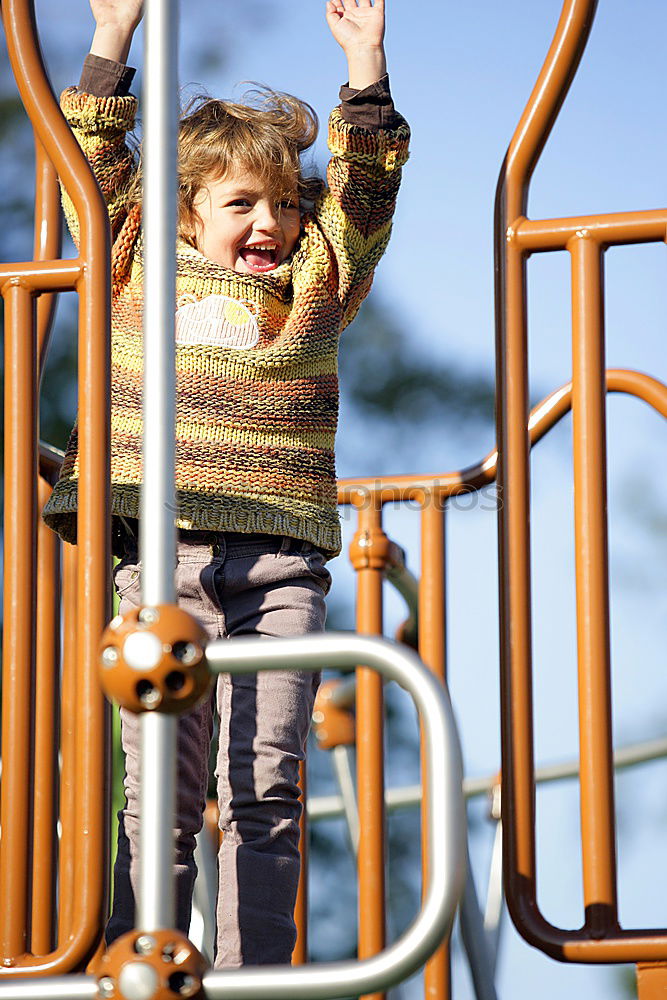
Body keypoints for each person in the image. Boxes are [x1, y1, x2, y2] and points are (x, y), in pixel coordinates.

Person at [42, 0, 410, 969]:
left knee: (266, 781)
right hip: (158, 559)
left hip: (279, 566)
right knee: (158, 786)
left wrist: (365, 63)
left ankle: (256, 978)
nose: (271, 222)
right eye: (242, 202)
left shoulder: (313, 285)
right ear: (184, 210)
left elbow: (365, 195)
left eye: (286, 203)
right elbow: (90, 152)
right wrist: (114, 37)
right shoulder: (133, 256)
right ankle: (141, 955)